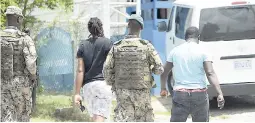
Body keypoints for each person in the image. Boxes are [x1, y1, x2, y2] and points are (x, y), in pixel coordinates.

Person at [103, 14, 164, 122]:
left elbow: (106, 70)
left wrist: (114, 83)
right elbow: (159, 68)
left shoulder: (117, 46)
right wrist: (150, 71)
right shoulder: (147, 46)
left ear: (128, 25)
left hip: (122, 90)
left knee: (123, 119)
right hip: (142, 90)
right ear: (141, 28)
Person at [160, 27, 225, 122]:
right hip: (199, 94)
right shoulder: (204, 51)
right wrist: (219, 93)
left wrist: (163, 88)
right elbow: (210, 73)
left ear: (185, 37)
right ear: (198, 37)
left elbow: (164, 71)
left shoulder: (175, 51)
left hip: (180, 94)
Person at [1, 6, 37, 122]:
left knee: (5, 117)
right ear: (18, 19)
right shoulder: (25, 38)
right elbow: (31, 63)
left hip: (2, 83)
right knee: (23, 116)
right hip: (20, 83)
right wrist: (33, 76)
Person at [74, 17, 113, 122]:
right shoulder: (108, 43)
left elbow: (80, 70)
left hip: (88, 87)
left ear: (89, 29)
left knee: (94, 118)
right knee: (99, 118)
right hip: (102, 85)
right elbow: (113, 65)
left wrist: (77, 93)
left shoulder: (82, 45)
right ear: (101, 27)